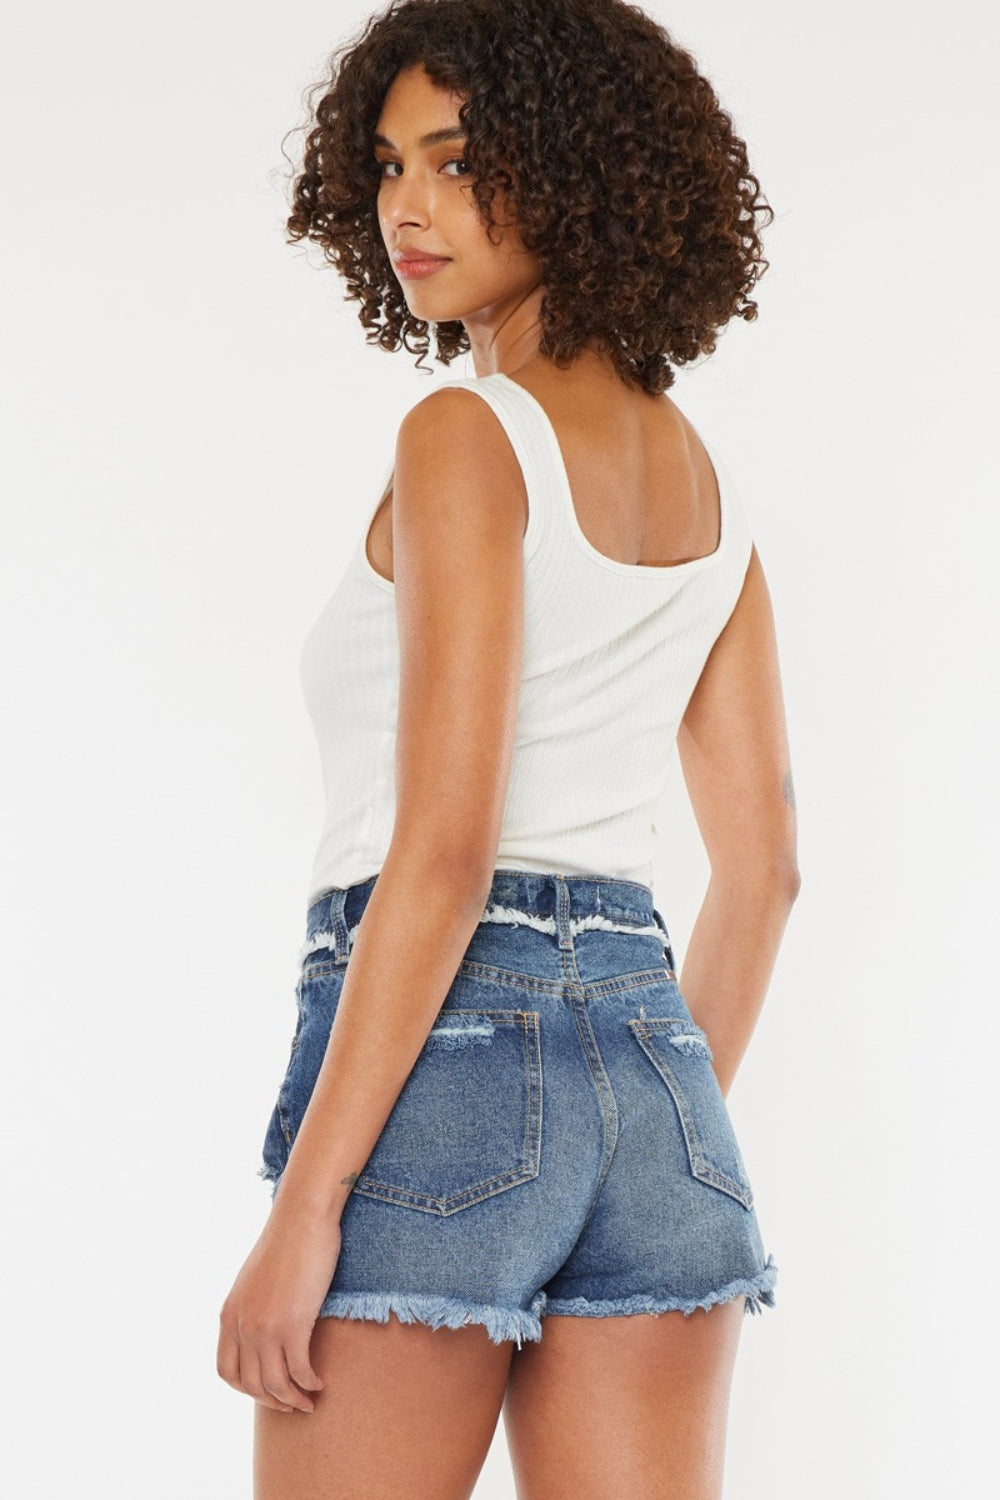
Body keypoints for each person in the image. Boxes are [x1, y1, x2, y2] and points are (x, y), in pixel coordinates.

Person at [217, 1, 800, 1495]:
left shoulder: (464, 437)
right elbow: (768, 871)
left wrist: (308, 1211)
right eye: (388, 164)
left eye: (459, 163)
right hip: (661, 1083)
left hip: (441, 1060)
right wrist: (643, 1107)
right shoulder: (705, 482)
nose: (408, 206)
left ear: (576, 166)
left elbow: (449, 847)